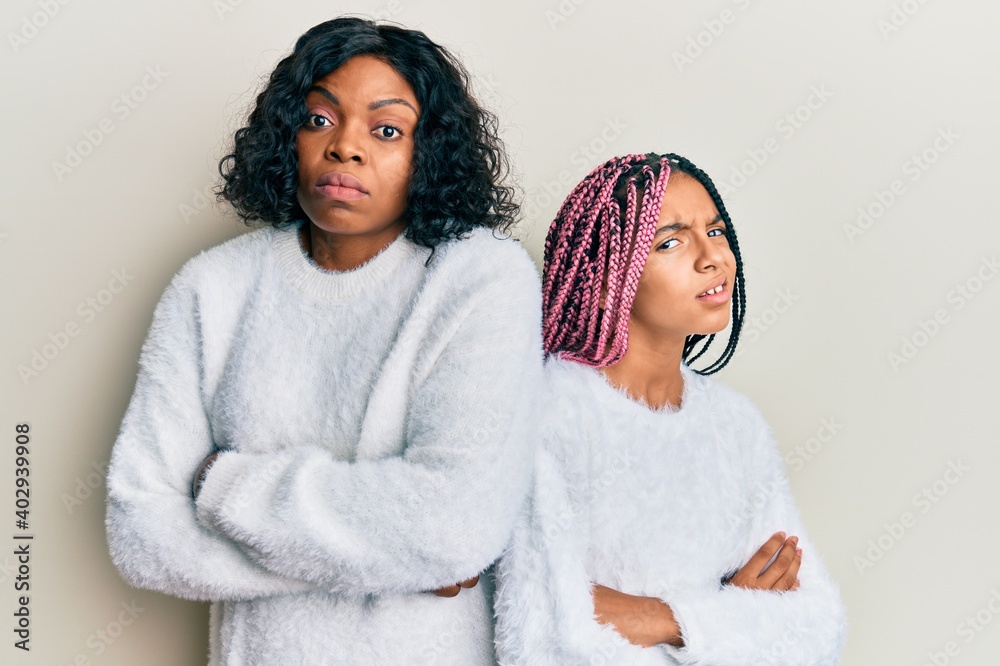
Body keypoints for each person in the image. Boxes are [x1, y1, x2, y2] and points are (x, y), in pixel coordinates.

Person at [105, 17, 542, 665]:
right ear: (287, 136)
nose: (345, 147)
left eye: (387, 129)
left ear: (430, 153)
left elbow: (453, 527)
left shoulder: (479, 276)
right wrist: (390, 561)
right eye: (318, 120)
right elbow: (140, 535)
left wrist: (221, 486)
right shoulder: (213, 287)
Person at [493, 153, 847, 665]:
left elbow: (814, 629)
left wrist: (659, 619)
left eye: (717, 231)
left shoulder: (736, 427)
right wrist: (733, 617)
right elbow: (541, 635)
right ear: (611, 272)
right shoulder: (545, 414)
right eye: (671, 241)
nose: (713, 258)